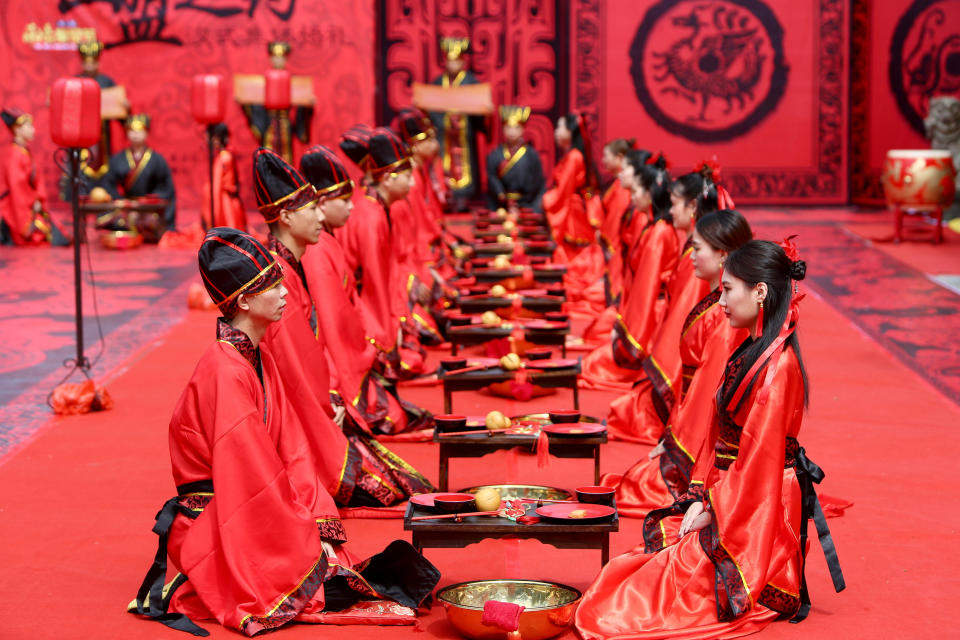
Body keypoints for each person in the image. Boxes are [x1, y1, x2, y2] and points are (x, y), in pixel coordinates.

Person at [129, 227, 440, 636]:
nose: (284, 294)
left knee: (379, 574)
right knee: (345, 586)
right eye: (272, 287)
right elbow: (250, 479)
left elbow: (293, 452)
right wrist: (303, 533)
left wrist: (318, 521)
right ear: (243, 300)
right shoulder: (226, 371)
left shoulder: (253, 354)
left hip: (256, 503)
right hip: (222, 517)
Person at [576, 238, 845, 638]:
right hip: (734, 491)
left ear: (759, 292)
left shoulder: (776, 370)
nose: (721, 302)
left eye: (728, 290)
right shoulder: (753, 346)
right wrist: (703, 494)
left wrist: (712, 510)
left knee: (646, 593)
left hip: (757, 510)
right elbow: (721, 438)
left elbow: (759, 467)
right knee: (638, 573)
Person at [253, 147, 433, 494]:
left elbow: (325, 334)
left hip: (328, 382)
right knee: (392, 485)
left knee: (410, 482)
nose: (321, 216)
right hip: (303, 406)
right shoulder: (287, 272)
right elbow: (296, 362)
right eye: (312, 208)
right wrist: (331, 397)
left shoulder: (298, 259)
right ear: (287, 217)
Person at [602, 210, 752, 514]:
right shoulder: (715, 305)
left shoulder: (723, 321)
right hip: (689, 422)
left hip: (705, 441)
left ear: (723, 253)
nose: (691, 256)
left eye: (696, 249)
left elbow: (706, 397)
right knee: (627, 482)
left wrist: (678, 453)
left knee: (633, 487)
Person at [299, 144, 432, 434]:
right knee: (394, 413)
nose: (352, 206)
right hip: (337, 359)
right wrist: (379, 338)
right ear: (321, 204)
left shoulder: (328, 239)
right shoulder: (321, 248)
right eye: (344, 201)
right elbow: (334, 323)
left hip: (359, 333)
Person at [604, 166, 731, 442]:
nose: (670, 210)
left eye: (675, 204)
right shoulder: (692, 253)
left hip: (680, 356)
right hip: (672, 339)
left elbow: (680, 323)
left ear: (693, 205)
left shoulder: (694, 262)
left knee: (627, 412)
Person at [336, 126, 429, 378]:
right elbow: (374, 284)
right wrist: (388, 331)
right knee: (409, 360)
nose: (412, 182)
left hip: (376, 294)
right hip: (354, 304)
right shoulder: (371, 217)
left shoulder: (377, 206)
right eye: (407, 176)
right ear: (388, 178)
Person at [580, 155, 678, 391]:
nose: (632, 197)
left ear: (649, 194)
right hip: (638, 307)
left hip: (651, 317)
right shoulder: (653, 227)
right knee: (594, 340)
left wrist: (630, 338)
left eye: (637, 192)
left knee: (593, 363)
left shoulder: (658, 233)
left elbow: (646, 290)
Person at [429, 36, 487, 211]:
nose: (453, 65)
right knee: (443, 162)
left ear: (463, 62)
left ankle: (464, 198)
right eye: (449, 61)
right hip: (444, 135)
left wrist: (483, 111)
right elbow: (431, 108)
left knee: (465, 164)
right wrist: (442, 121)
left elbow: (480, 113)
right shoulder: (438, 83)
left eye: (457, 61)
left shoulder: (471, 83)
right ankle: (446, 196)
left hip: (464, 135)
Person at [0, 109, 69, 246]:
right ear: (17, 130)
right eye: (29, 126)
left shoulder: (23, 152)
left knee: (60, 235)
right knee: (49, 235)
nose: (33, 130)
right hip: (16, 208)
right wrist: (34, 200)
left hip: (29, 203)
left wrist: (38, 198)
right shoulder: (15, 155)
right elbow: (17, 188)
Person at [103, 114, 177, 234]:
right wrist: (119, 199)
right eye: (132, 131)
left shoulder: (157, 159)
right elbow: (108, 183)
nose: (135, 134)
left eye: (140, 131)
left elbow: (165, 186)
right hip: (126, 205)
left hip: (148, 207)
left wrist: (149, 200)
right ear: (127, 133)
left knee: (150, 221)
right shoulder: (117, 159)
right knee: (119, 219)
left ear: (146, 133)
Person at [240, 41, 312, 163]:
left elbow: (301, 101)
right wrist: (246, 103)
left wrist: (306, 104)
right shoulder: (264, 81)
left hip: (285, 123)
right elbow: (255, 101)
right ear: (271, 59)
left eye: (281, 58)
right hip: (269, 124)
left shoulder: (292, 81)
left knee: (286, 157)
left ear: (285, 59)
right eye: (275, 57)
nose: (278, 60)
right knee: (268, 156)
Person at [543, 112, 598, 257]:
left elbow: (563, 191)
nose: (556, 132)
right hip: (570, 205)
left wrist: (546, 200)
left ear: (570, 131)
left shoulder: (574, 157)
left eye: (559, 127)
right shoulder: (571, 155)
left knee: (572, 254)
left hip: (571, 209)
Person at [485, 105, 545, 212]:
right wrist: (501, 195)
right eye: (508, 127)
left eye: (516, 128)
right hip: (501, 205)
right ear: (503, 129)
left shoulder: (532, 155)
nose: (512, 132)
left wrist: (523, 203)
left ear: (523, 129)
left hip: (526, 204)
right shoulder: (495, 154)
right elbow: (492, 177)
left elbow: (537, 182)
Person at [75, 40, 119, 186]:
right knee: (79, 163)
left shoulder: (106, 82)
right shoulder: (75, 82)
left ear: (98, 63)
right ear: (82, 64)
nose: (90, 66)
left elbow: (119, 112)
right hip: (79, 135)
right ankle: (80, 194)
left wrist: (124, 107)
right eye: (87, 63)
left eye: (93, 63)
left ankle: (105, 192)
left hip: (102, 136)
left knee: (104, 165)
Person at [201, 123, 246, 231]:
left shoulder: (224, 158)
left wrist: (212, 216)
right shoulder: (225, 155)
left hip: (223, 203)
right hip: (226, 201)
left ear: (216, 138)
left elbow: (217, 188)